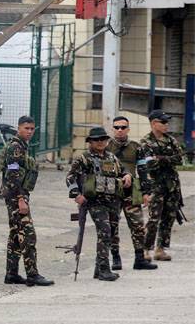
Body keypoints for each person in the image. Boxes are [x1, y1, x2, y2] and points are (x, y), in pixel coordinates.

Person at [66, 127, 133, 281]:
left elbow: (123, 171)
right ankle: (104, 269)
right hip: (95, 202)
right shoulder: (84, 158)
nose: (101, 142)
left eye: (103, 139)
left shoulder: (111, 157)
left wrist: (127, 175)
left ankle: (98, 269)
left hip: (113, 201)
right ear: (90, 142)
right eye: (97, 139)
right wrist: (77, 195)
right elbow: (70, 177)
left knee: (111, 233)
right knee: (105, 232)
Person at [0, 116, 54, 286]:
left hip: (16, 195)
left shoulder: (22, 146)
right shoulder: (16, 147)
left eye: (32, 129)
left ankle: (11, 274)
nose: (29, 131)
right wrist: (21, 199)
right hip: (16, 197)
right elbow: (13, 175)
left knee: (16, 235)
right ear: (19, 128)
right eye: (26, 128)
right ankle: (32, 274)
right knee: (28, 235)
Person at [106, 117, 157, 270]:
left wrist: (146, 192)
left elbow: (142, 171)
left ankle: (139, 258)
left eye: (123, 127)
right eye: (117, 127)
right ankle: (115, 258)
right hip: (112, 191)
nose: (120, 130)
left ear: (128, 129)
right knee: (112, 225)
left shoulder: (136, 147)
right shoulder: (106, 146)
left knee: (137, 225)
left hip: (132, 191)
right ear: (113, 129)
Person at [137, 110, 186, 262]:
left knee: (169, 216)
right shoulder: (145, 142)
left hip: (172, 184)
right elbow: (149, 163)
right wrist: (166, 159)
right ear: (153, 123)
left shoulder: (171, 140)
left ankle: (160, 249)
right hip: (155, 184)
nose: (166, 125)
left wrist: (161, 158)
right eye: (163, 122)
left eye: (167, 122)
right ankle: (145, 249)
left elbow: (180, 159)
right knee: (154, 217)